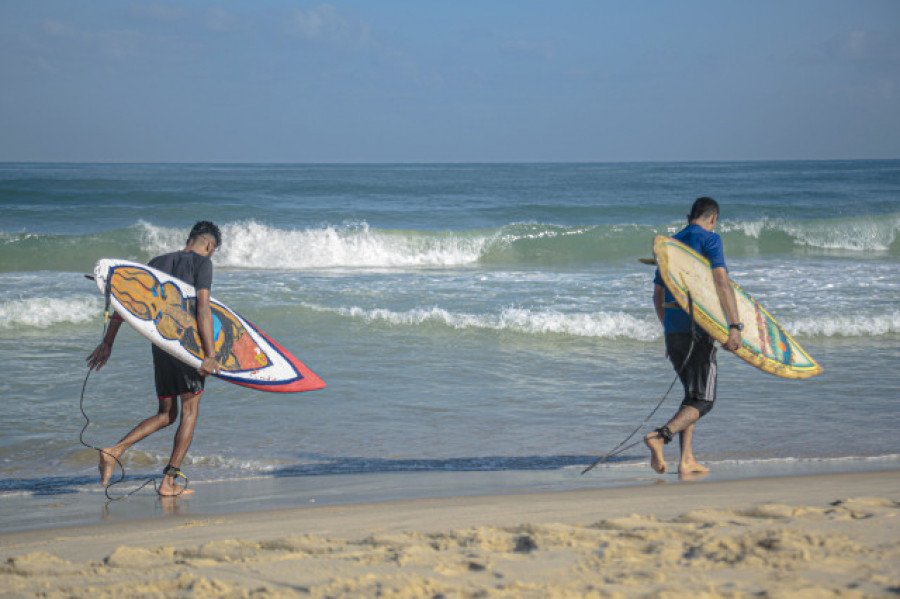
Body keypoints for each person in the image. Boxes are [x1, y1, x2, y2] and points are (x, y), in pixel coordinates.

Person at [87, 221, 223, 496]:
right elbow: (204, 310)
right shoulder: (203, 264)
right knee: (189, 412)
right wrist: (210, 355)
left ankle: (114, 451)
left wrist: (108, 342)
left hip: (161, 345)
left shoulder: (156, 262)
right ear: (209, 245)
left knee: (167, 414)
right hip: (187, 348)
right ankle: (168, 482)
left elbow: (127, 304)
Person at [644, 198, 742, 476]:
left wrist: (668, 331)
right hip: (698, 330)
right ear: (713, 218)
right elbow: (722, 281)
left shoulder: (669, 246)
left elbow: (658, 296)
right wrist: (735, 325)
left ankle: (686, 459)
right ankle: (660, 436)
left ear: (690, 217)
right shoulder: (711, 239)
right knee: (704, 401)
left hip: (674, 331)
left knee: (691, 396)